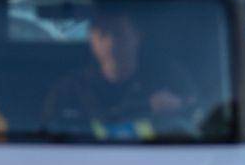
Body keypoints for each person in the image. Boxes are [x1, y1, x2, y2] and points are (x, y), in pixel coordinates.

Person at [43, 9, 190, 138]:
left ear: (137, 36)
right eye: (102, 34)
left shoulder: (168, 79)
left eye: (119, 33)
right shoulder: (69, 90)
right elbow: (47, 135)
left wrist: (178, 106)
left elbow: (198, 118)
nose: (110, 43)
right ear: (91, 39)